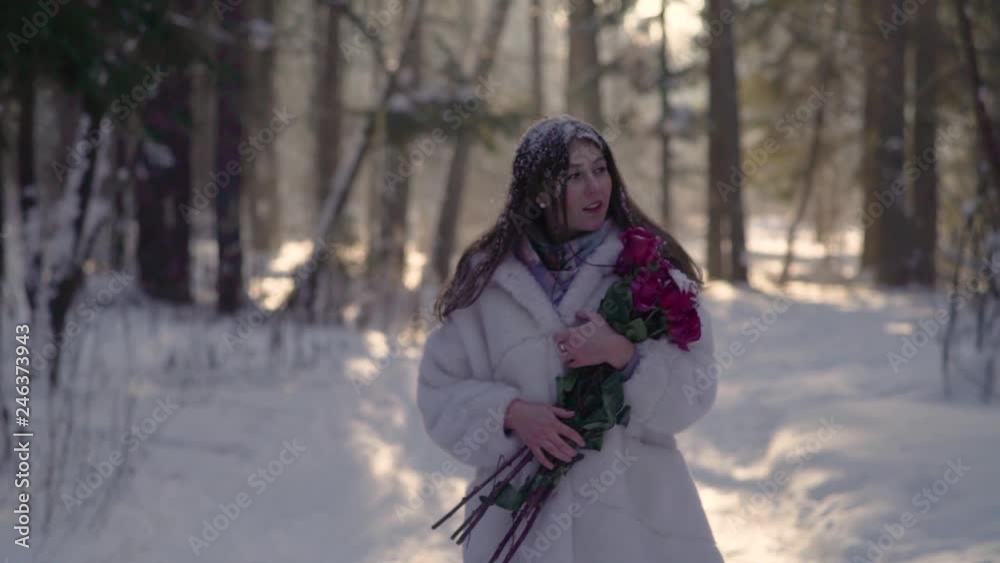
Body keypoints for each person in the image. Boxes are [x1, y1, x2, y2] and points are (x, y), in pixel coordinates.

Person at [417, 115, 724, 563]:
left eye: (600, 170)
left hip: (639, 529)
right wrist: (510, 413)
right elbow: (439, 391)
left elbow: (696, 388)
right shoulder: (488, 282)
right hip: (521, 531)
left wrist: (623, 355)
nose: (595, 188)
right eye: (574, 176)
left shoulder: (651, 271)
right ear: (539, 192)